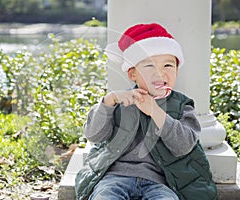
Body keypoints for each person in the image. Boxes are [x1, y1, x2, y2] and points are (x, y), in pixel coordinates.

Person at [75, 23, 217, 200]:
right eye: (150, 66)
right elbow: (94, 135)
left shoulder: (182, 105)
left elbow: (183, 146)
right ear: (132, 74)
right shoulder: (122, 101)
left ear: (176, 70)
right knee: (104, 196)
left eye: (168, 66)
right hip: (115, 177)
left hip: (161, 181)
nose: (160, 73)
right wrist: (108, 101)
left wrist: (156, 112)